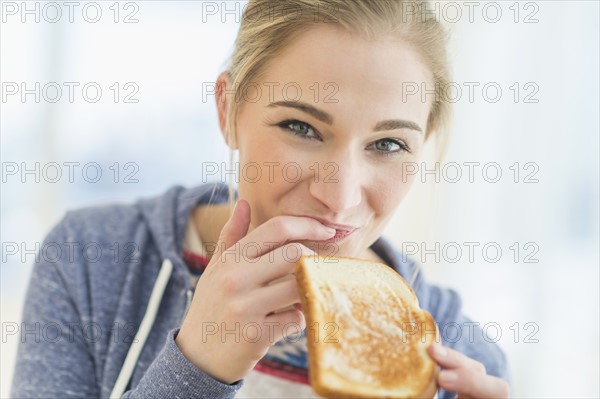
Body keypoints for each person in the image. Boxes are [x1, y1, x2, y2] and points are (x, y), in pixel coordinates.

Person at [11, 1, 511, 398]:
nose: (337, 198)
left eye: (388, 145)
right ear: (228, 111)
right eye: (301, 127)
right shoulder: (91, 259)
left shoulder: (460, 357)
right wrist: (197, 368)